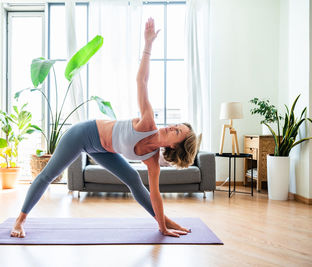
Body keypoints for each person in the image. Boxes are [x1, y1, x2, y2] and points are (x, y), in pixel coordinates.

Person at [11, 17, 198, 238]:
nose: (171, 127)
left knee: (134, 181)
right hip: (83, 134)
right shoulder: (148, 123)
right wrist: (148, 45)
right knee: (48, 175)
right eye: (176, 125)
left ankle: (164, 222)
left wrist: (162, 227)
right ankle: (19, 222)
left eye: (177, 132)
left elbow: (155, 195)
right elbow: (142, 82)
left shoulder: (152, 160)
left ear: (175, 146)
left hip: (102, 151)